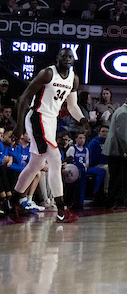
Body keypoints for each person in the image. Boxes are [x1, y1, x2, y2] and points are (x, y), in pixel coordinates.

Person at [13, 47, 87, 223]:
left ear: (73, 60)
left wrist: (83, 120)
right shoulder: (47, 73)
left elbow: (72, 106)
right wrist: (19, 125)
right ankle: (61, 209)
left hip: (51, 120)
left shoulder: (73, 78)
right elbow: (24, 97)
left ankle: (12, 202)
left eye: (70, 57)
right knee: (55, 159)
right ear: (57, 58)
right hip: (38, 116)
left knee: (35, 164)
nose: (67, 59)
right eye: (64, 56)